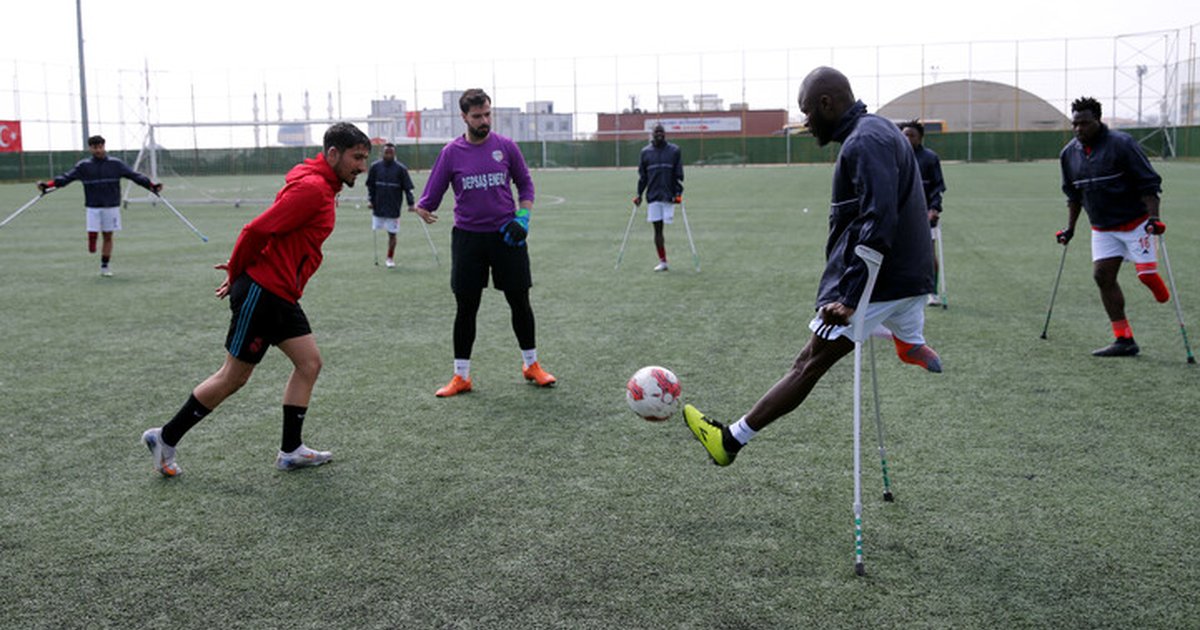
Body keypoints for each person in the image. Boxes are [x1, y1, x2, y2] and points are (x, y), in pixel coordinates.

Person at [684, 67, 941, 467]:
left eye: (807, 111)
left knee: (807, 364)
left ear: (827, 103)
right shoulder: (879, 130)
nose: (805, 122)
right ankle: (909, 342)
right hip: (913, 280)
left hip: (882, 283)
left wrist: (850, 296)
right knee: (898, 321)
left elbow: (880, 217)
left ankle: (729, 441)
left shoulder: (865, 141)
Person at [141, 122, 372, 477]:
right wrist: (236, 272)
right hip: (265, 293)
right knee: (233, 377)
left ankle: (291, 450)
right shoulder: (312, 189)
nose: (361, 166)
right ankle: (165, 438)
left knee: (309, 363)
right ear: (333, 154)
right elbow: (256, 229)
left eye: (364, 158)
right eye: (357, 157)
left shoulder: (324, 186)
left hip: (281, 294)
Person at [414, 88, 556, 397]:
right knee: (466, 307)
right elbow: (430, 197)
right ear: (464, 117)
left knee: (520, 301)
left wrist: (524, 217)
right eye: (477, 116)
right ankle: (461, 376)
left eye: (487, 114)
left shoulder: (506, 147)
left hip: (507, 235)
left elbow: (525, 183)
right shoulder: (451, 153)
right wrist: (424, 209)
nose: (484, 121)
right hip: (468, 239)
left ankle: (532, 365)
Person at [1057, 96, 1168, 357]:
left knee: (1146, 275)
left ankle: (1158, 288)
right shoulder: (1068, 154)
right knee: (1102, 277)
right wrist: (1070, 228)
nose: (1078, 129)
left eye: (1084, 123)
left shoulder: (1122, 144)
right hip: (1102, 227)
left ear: (1098, 121)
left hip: (1137, 222)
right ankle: (1124, 338)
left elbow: (1149, 183)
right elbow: (1074, 196)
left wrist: (1154, 219)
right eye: (1074, 124)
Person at [37, 135, 162, 276]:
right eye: (94, 147)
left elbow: (135, 176)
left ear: (104, 146)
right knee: (93, 234)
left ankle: (105, 266)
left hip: (111, 206)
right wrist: (47, 186)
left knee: (108, 236)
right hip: (93, 206)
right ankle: (92, 239)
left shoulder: (116, 164)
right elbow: (65, 178)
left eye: (100, 147)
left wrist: (152, 187)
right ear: (90, 148)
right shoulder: (84, 166)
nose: (98, 150)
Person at [898, 120, 947, 306]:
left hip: (925, 214)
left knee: (927, 254)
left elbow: (937, 187)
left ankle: (931, 292)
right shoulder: (894, 155)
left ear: (920, 138)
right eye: (905, 135)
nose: (907, 138)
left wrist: (934, 209)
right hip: (899, 215)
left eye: (912, 135)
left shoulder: (930, 158)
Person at [632, 124, 684, 271]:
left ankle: (666, 259)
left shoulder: (674, 151)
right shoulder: (645, 153)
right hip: (653, 196)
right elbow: (643, 177)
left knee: (668, 225)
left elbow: (678, 174)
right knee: (658, 230)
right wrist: (639, 195)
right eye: (657, 132)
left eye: (662, 132)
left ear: (665, 134)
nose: (659, 134)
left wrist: (678, 193)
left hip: (669, 196)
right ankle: (663, 261)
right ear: (652, 134)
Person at [366, 142, 416, 268]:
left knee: (392, 233)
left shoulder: (401, 169)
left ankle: (390, 257)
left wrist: (411, 203)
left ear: (394, 154)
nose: (388, 154)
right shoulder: (375, 167)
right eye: (386, 152)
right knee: (376, 229)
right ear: (382, 153)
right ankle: (378, 257)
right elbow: (370, 185)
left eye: (391, 152)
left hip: (393, 206)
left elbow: (407, 188)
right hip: (378, 205)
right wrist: (370, 200)